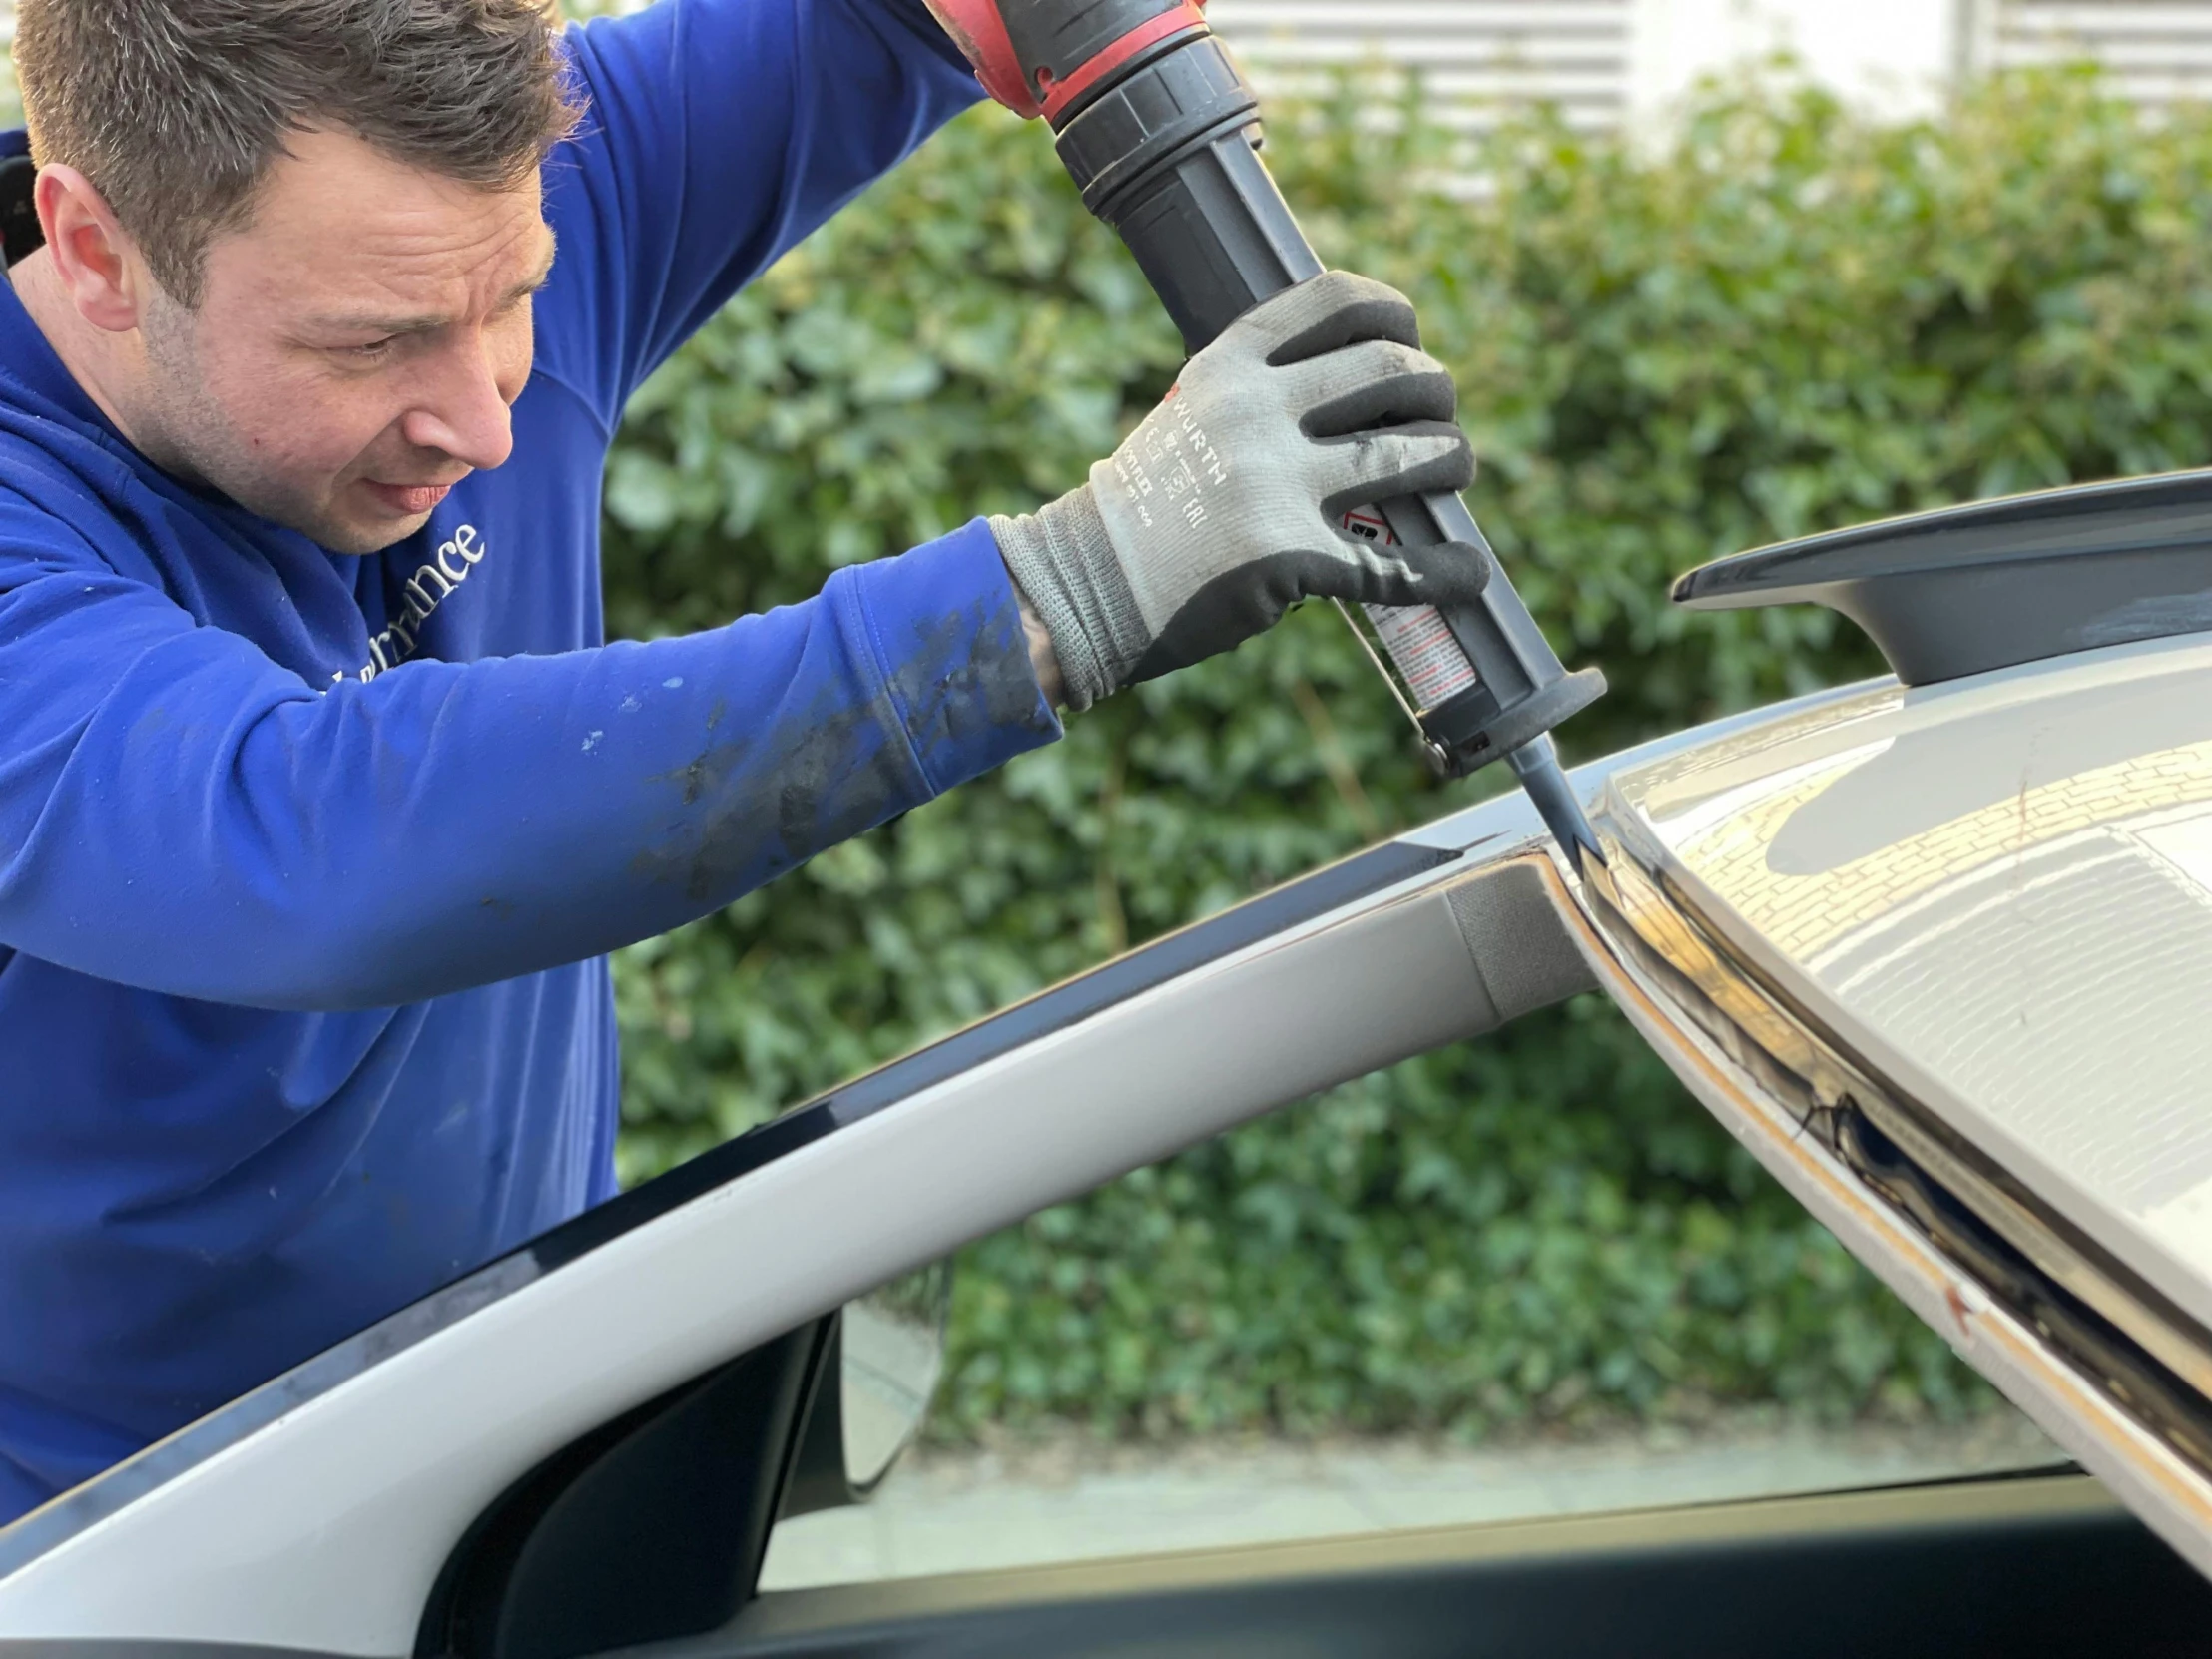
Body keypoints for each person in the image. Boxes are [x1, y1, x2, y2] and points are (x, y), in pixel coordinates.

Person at [0, 0, 1482, 1523]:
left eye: (520, 294)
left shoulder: (453, 213)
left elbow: (894, 21)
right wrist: (1074, 590)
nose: (479, 417)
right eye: (369, 344)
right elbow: (300, 837)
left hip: (506, 1471)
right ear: (100, 252)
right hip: (115, 1559)